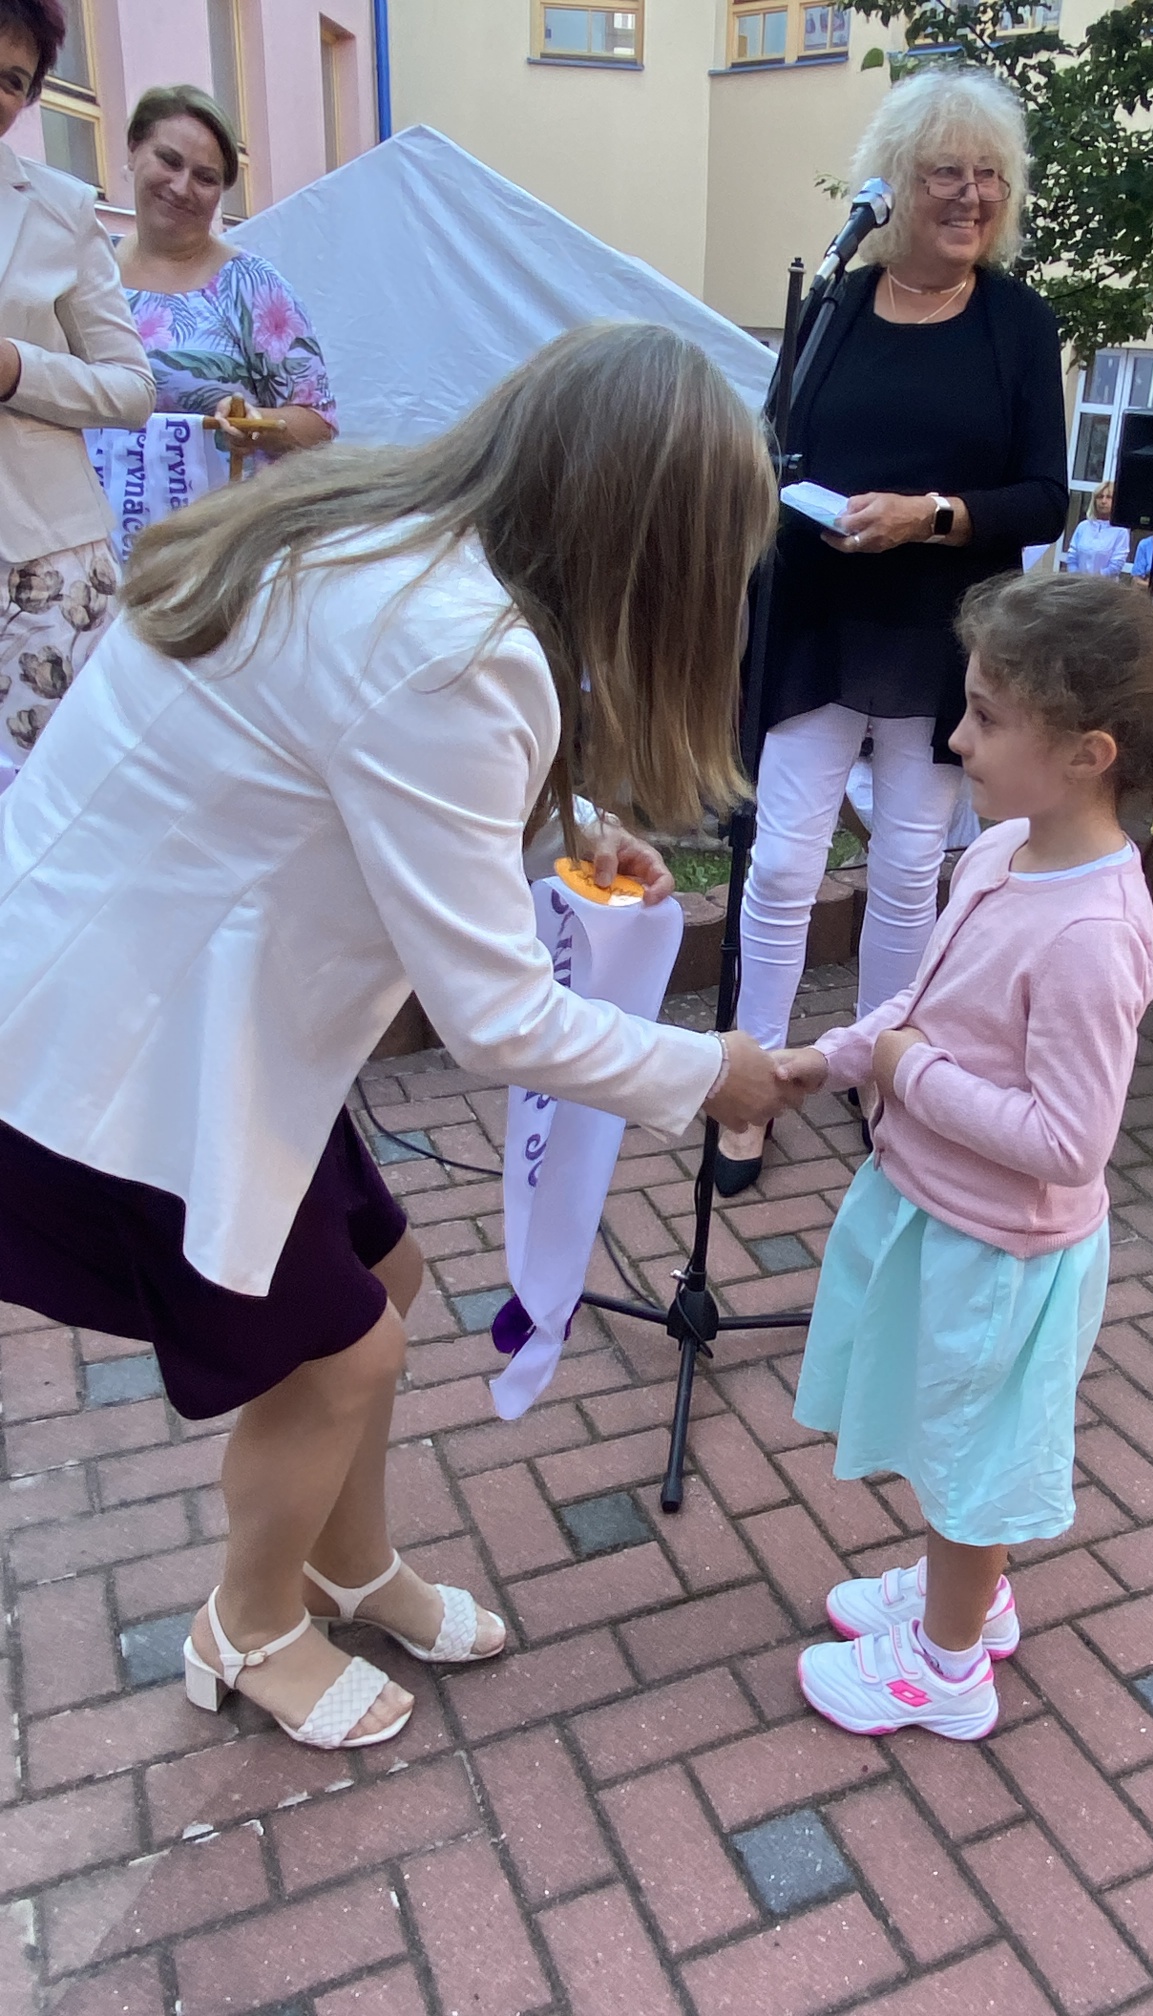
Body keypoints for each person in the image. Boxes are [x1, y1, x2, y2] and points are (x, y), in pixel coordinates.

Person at [0, 324, 795, 1751]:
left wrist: (561, 823)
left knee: (388, 1277)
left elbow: (351, 755)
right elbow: (496, 1019)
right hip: (116, 1058)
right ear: (649, 543)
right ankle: (247, 1629)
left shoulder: (372, 528)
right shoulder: (459, 653)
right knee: (344, 1355)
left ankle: (349, 1566)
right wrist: (712, 1072)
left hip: (169, 1002)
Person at [773, 573, 1153, 1739]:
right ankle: (968, 1595)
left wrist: (907, 1075)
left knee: (968, 1455)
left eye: (988, 718)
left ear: (1088, 755)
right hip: (940, 1215)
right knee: (951, 1429)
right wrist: (838, 1058)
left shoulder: (1094, 934)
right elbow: (926, 1005)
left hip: (1001, 1252)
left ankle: (947, 1669)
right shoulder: (1004, 849)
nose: (956, 738)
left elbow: (1069, 1143)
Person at [717, 66, 1068, 1195]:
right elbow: (772, 448)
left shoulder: (1019, 324)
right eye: (944, 173)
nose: (970, 196)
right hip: (818, 619)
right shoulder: (832, 308)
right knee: (782, 866)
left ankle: (877, 1072)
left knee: (911, 870)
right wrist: (803, 502)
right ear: (896, 185)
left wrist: (934, 515)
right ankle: (755, 1082)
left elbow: (1044, 497)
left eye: (989, 177)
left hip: (940, 636)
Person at [0, 0, 153, 781]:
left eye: (12, 79)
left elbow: (132, 388)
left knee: (54, 792)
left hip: (39, 568)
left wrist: (16, 369)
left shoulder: (59, 211)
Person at [115, 85, 334, 460]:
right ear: (134, 150)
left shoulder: (251, 286)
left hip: (225, 500)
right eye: (169, 160)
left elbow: (320, 424)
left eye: (205, 178)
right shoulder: (85, 267)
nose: (181, 187)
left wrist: (256, 423)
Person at [1063, 481, 1129, 576]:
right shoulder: (1083, 526)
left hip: (1104, 583)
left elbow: (1115, 566)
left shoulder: (1121, 531)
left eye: (1109, 497)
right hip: (1078, 582)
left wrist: (1094, 580)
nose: (1103, 501)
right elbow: (1072, 557)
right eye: (1100, 497)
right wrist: (1076, 577)